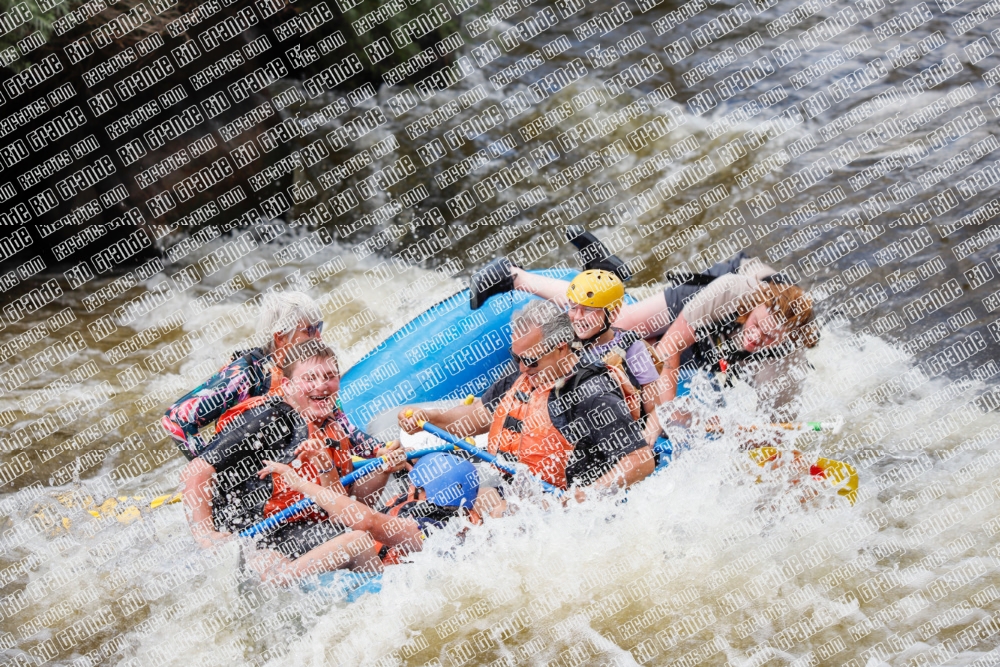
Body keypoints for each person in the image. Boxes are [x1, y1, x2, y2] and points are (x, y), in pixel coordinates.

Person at [180, 342, 406, 578]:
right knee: (360, 541)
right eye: (310, 378)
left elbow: (349, 502)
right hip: (263, 536)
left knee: (370, 508)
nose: (322, 385)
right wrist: (206, 536)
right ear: (288, 385)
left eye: (330, 376)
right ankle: (278, 579)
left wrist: (385, 466)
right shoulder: (267, 418)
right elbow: (196, 471)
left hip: (309, 526)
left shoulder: (331, 425)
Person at [397, 300, 656, 505]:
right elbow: (476, 417)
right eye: (516, 357)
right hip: (513, 493)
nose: (522, 367)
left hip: (558, 507)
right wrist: (427, 418)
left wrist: (585, 496)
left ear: (561, 348)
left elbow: (641, 460)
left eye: (531, 360)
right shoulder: (520, 377)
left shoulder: (591, 394)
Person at [257, 451, 481, 582]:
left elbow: (367, 521)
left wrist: (300, 484)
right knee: (266, 555)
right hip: (377, 570)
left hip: (383, 585)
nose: (410, 481)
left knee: (358, 540)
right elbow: (344, 516)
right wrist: (327, 469)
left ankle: (280, 581)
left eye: (415, 481)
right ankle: (282, 576)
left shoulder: (430, 528)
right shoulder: (454, 514)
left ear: (425, 491)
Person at [163, 291, 331, 459]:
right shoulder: (246, 373)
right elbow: (176, 418)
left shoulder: (311, 369)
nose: (319, 337)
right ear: (281, 337)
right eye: (310, 330)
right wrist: (209, 469)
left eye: (319, 327)